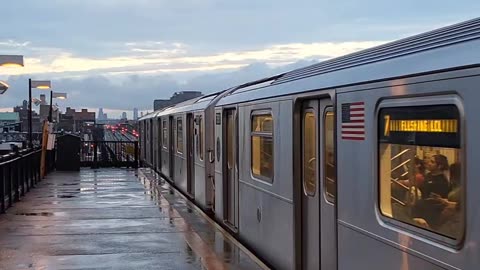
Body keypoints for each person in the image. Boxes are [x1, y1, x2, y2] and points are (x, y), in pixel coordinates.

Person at [412, 154, 450, 228]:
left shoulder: (442, 181)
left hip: (432, 210)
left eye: (432, 162)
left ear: (440, 166)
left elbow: (439, 199)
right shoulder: (428, 175)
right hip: (421, 205)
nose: (428, 163)